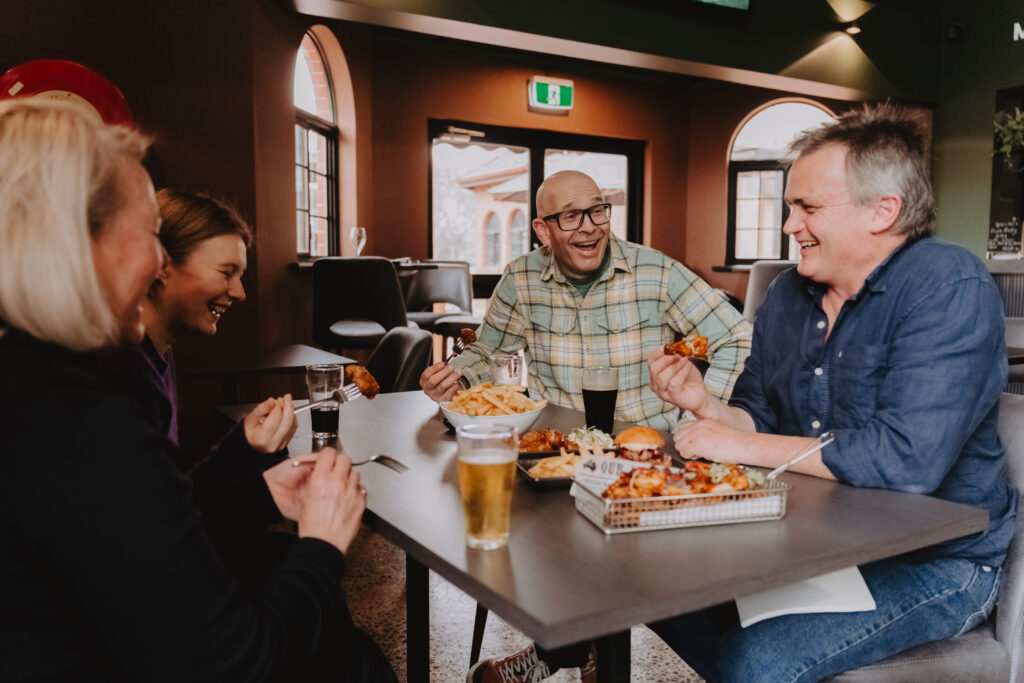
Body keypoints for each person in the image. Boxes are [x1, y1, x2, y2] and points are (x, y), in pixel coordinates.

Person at [0, 98, 396, 682]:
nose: (161, 260)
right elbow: (233, 661)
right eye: (153, 234)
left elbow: (149, 535)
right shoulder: (91, 426)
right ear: (79, 245)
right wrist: (321, 543)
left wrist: (257, 487)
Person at [646, 103, 1016, 682]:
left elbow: (906, 461)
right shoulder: (789, 293)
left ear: (883, 211)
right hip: (815, 544)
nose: (790, 225)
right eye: (791, 207)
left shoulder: (947, 284)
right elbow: (758, 416)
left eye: (807, 207)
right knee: (655, 590)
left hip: (938, 563)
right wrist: (706, 408)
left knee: (757, 659)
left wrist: (731, 443)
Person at [420, 170, 752, 432]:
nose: (589, 227)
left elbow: (736, 339)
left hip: (644, 450)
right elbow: (487, 353)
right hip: (552, 450)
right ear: (543, 231)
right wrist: (456, 381)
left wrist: (702, 417)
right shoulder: (521, 278)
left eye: (597, 211)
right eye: (570, 217)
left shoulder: (658, 271)